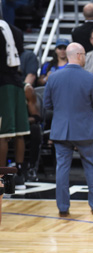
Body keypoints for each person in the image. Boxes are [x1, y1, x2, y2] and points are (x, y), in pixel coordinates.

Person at [43, 42, 93, 217]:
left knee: (62, 168)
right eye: (84, 54)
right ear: (78, 55)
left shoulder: (53, 77)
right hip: (85, 129)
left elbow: (47, 104)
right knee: (91, 166)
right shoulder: (90, 78)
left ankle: (63, 208)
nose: (85, 57)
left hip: (61, 129)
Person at [0, 19, 29, 189]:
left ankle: (2, 176)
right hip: (16, 82)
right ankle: (18, 175)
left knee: (3, 134)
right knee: (20, 132)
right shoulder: (15, 30)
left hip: (3, 84)